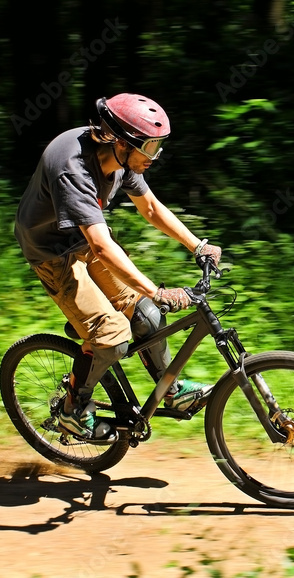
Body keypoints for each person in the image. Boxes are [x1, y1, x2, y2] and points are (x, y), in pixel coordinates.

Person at [14, 93, 221, 440]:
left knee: (149, 315)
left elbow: (151, 208)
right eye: (150, 148)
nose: (154, 156)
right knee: (112, 337)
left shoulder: (121, 158)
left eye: (158, 147)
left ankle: (170, 391)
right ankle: (73, 411)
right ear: (123, 143)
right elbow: (101, 245)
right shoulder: (73, 168)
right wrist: (155, 289)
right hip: (53, 253)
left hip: (84, 239)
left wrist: (197, 245)